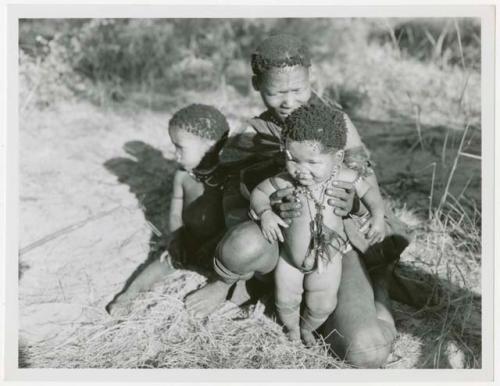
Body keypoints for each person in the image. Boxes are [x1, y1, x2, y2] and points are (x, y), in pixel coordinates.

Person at [184, 34, 411, 368]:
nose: (289, 101)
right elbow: (237, 189)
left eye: (298, 90)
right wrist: (266, 205)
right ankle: (226, 282)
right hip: (281, 244)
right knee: (243, 245)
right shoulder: (254, 135)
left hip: (336, 243)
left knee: (367, 351)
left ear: (310, 79)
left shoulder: (336, 124)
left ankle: (377, 284)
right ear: (257, 84)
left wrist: (353, 204)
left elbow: (365, 180)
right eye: (277, 92)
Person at [250, 103, 387, 346]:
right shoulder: (285, 181)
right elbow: (259, 193)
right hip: (290, 261)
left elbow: (370, 193)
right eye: (292, 159)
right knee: (286, 300)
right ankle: (291, 328)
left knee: (323, 303)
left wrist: (377, 216)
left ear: (338, 158)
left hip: (329, 260)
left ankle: (308, 328)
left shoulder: (345, 176)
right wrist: (265, 213)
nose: (300, 170)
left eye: (312, 163)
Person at [106, 104, 230, 314]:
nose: (175, 154)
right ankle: (128, 295)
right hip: (189, 239)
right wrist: (177, 239)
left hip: (217, 245)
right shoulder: (182, 177)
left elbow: (231, 220)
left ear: (210, 145)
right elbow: (175, 212)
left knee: (231, 268)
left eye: (180, 147)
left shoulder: (227, 178)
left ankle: (219, 290)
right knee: (163, 261)